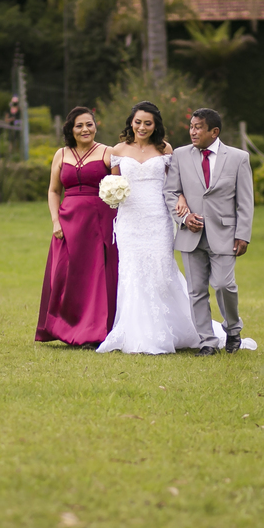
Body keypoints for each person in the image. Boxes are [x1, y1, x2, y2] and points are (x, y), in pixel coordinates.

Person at [97, 102, 200, 355]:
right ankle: (136, 333)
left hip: (158, 217)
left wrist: (182, 199)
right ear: (131, 122)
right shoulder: (118, 150)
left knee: (161, 272)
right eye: (138, 122)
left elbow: (175, 182)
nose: (142, 127)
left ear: (155, 126)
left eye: (148, 123)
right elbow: (113, 182)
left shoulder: (165, 149)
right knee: (132, 273)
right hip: (130, 220)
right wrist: (111, 195)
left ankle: (174, 329)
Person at [165, 108, 254, 356]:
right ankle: (207, 341)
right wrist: (183, 217)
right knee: (196, 291)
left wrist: (243, 234)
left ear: (214, 131)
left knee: (225, 285)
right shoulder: (180, 155)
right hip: (190, 235)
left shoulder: (238, 158)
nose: (193, 131)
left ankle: (233, 330)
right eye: (191, 126)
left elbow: (245, 201)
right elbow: (170, 192)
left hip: (225, 233)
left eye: (198, 127)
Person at [35, 107, 118, 346]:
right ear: (71, 129)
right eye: (79, 125)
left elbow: (118, 187)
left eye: (89, 124)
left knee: (96, 277)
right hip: (67, 223)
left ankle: (95, 332)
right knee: (66, 276)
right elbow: (53, 190)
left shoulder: (107, 152)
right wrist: (55, 221)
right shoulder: (61, 154)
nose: (85, 130)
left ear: (95, 126)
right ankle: (64, 329)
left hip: (99, 222)